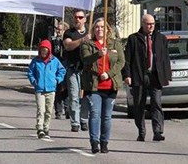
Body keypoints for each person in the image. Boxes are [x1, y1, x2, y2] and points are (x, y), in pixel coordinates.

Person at [122, 13, 171, 142]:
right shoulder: (134, 39)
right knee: (139, 104)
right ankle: (141, 131)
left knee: (156, 103)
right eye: (148, 24)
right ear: (142, 24)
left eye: (153, 24)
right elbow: (127, 59)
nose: (151, 26)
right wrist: (127, 75)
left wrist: (167, 75)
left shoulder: (161, 38)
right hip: (139, 75)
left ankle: (158, 131)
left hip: (155, 75)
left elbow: (165, 58)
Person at [80, 18, 125, 153]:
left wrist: (109, 74)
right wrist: (98, 54)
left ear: (107, 30)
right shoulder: (88, 44)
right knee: (94, 114)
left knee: (107, 116)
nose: (99, 29)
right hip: (94, 86)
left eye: (102, 27)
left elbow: (121, 62)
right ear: (93, 30)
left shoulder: (115, 44)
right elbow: (85, 60)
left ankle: (104, 141)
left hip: (110, 85)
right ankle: (94, 141)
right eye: (97, 27)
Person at [27, 40, 66, 139]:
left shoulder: (54, 61)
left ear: (49, 51)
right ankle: (39, 127)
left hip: (51, 89)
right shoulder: (36, 61)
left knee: (49, 111)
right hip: (39, 89)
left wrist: (57, 80)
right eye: (42, 51)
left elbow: (62, 70)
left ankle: (46, 127)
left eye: (45, 51)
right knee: (41, 109)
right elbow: (30, 72)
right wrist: (34, 81)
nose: (43, 53)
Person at [62, 9, 90, 132]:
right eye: (76, 17)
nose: (77, 19)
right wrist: (82, 40)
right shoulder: (69, 33)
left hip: (87, 70)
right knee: (74, 96)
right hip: (73, 69)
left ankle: (84, 120)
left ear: (85, 19)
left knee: (86, 97)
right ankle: (75, 122)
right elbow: (68, 46)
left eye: (80, 17)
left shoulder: (90, 32)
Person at [51, 22, 69, 119]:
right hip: (56, 67)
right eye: (57, 29)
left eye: (60, 30)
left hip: (66, 66)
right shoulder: (54, 41)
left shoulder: (68, 41)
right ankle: (58, 111)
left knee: (66, 89)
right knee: (58, 89)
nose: (58, 31)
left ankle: (68, 110)